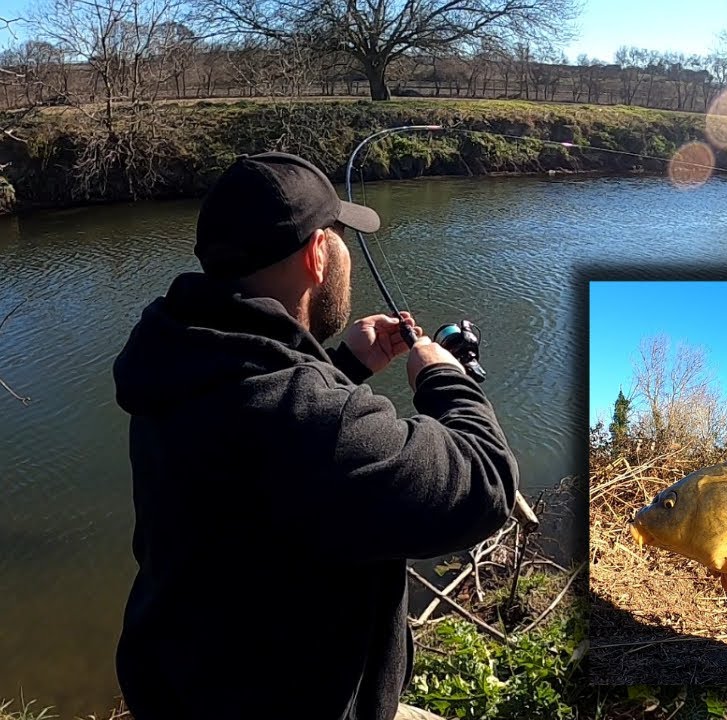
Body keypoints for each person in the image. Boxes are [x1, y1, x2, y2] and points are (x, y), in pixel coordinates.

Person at [111, 151, 518, 720]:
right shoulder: (309, 422)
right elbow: (485, 482)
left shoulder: (179, 360)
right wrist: (443, 376)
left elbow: (277, 455)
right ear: (317, 254)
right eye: (341, 237)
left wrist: (340, 367)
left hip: (186, 690)